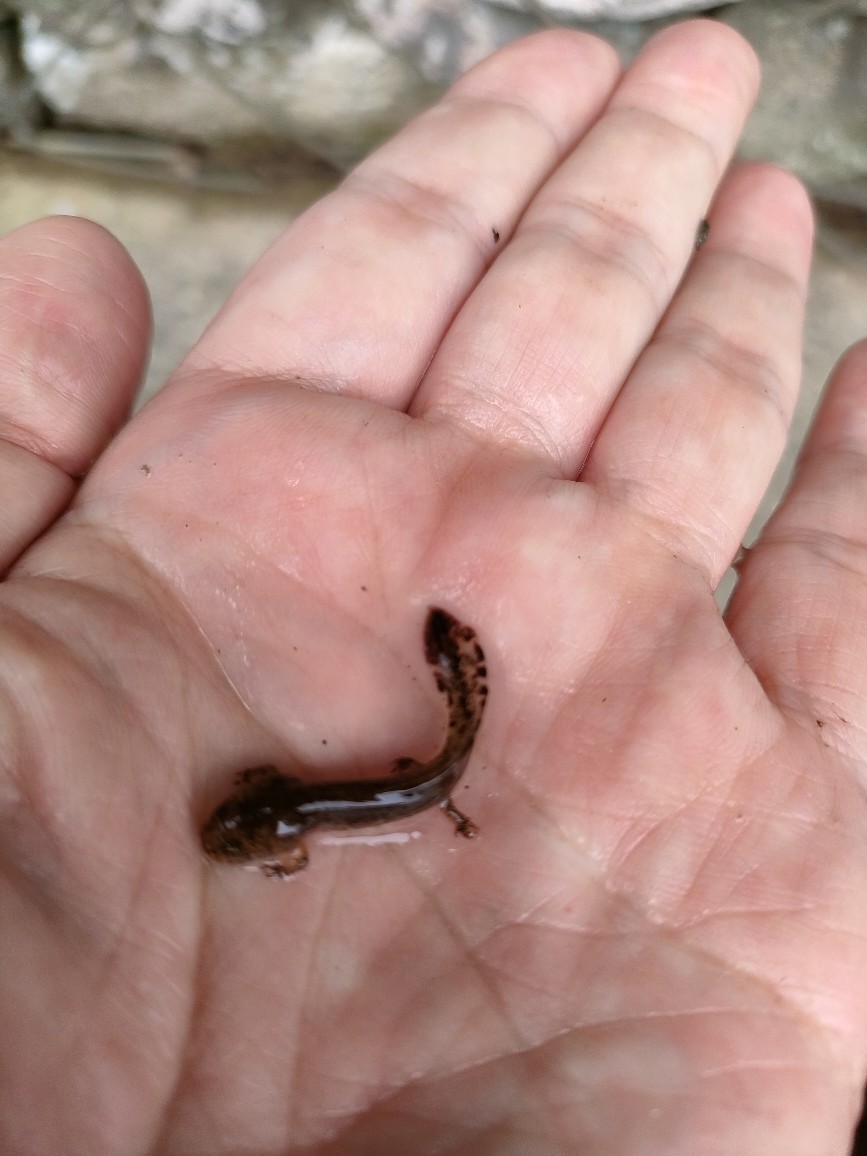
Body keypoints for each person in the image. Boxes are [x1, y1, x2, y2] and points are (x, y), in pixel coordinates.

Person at [0, 18, 863, 1155]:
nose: (245, 825)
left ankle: (453, 709)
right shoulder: (301, 812)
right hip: (418, 790)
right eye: (247, 830)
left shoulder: (298, 821)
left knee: (435, 769)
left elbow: (288, 817)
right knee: (434, 770)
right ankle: (452, 710)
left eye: (249, 831)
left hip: (417, 789)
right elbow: (287, 810)